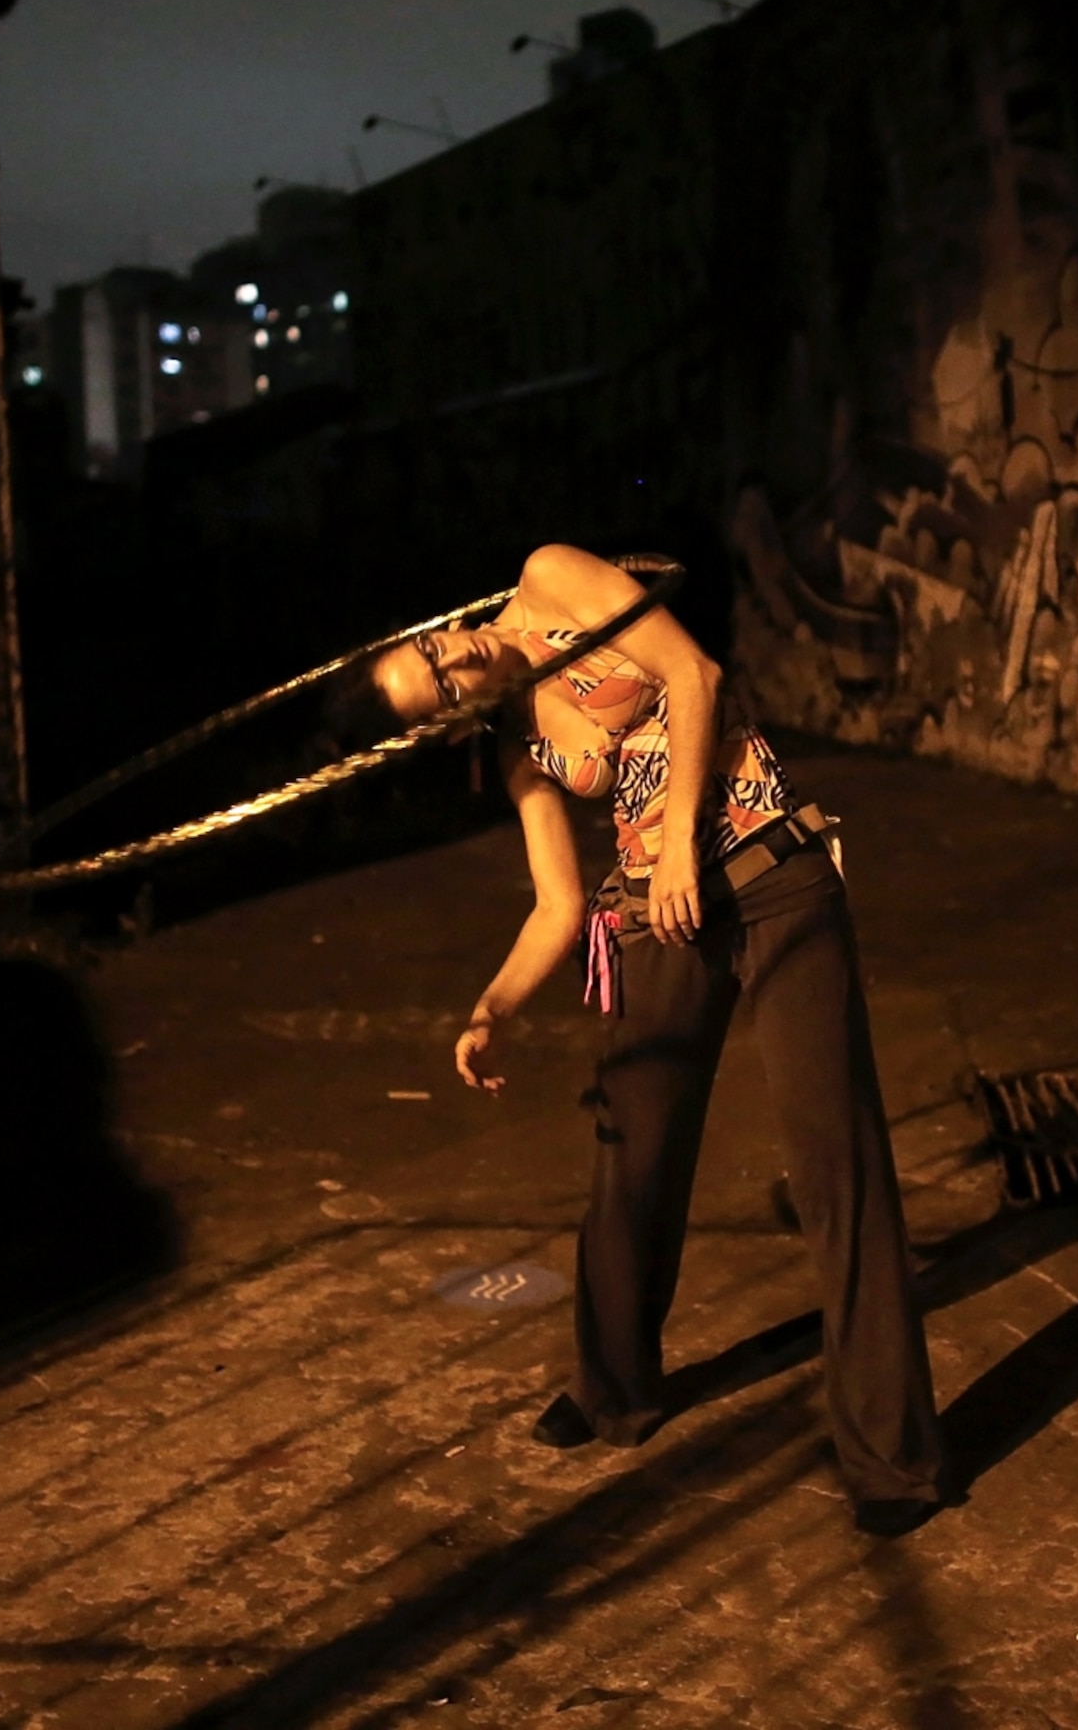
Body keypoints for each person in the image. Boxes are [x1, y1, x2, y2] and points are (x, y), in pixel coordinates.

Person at [367, 543, 943, 1533]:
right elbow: (556, 905)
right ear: (453, 719)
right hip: (657, 916)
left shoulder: (550, 579)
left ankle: (893, 1460)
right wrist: (492, 1009)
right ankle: (613, 1389)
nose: (453, 658)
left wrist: (679, 842)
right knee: (631, 1153)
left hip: (769, 874)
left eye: (433, 650)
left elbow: (694, 673)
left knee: (835, 1162)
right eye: (442, 685)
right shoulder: (520, 747)